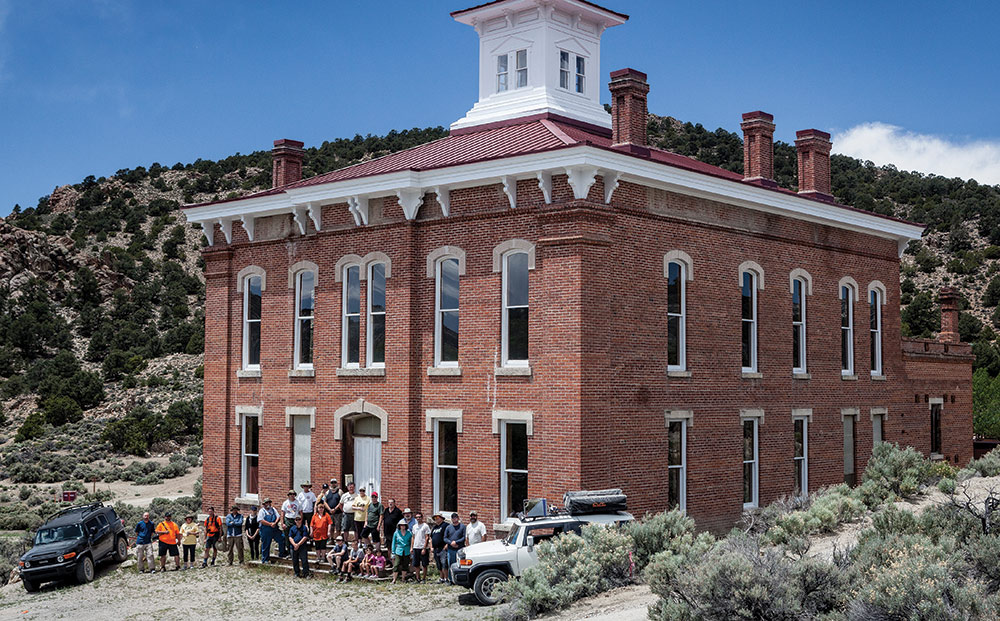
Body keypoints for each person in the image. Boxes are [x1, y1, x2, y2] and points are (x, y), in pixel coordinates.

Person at [443, 512, 466, 584]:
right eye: (453, 518)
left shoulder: (463, 527)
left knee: (460, 564)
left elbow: (464, 537)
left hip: (460, 549)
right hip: (451, 549)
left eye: (455, 517)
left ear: (458, 518)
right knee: (451, 564)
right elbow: (445, 538)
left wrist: (456, 542)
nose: (454, 519)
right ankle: (451, 579)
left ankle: (460, 579)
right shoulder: (448, 527)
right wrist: (451, 543)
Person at [410, 511, 431, 583]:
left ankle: (424, 578)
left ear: (422, 518)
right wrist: (411, 547)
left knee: (424, 564)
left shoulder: (425, 526)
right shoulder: (414, 526)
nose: (418, 518)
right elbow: (413, 537)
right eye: (417, 517)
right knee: (416, 564)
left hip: (422, 547)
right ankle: (418, 578)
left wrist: (424, 548)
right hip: (416, 547)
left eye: (419, 517)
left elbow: (427, 537)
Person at [258, 498, 280, 564]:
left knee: (282, 538)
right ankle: (265, 559)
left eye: (269, 503)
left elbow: (278, 517)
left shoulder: (273, 510)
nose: (268, 504)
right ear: (264, 504)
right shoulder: (262, 511)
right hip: (265, 530)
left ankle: (282, 554)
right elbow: (261, 520)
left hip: (274, 529)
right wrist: (270, 524)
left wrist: (275, 523)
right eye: (266, 503)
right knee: (266, 544)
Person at [280, 490, 300, 558]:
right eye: (290, 494)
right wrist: (282, 523)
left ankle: (296, 553)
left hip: (295, 520)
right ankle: (289, 552)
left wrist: (300, 522)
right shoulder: (285, 503)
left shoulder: (298, 502)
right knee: (287, 537)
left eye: (293, 494)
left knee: (296, 537)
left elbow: (301, 512)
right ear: (288, 495)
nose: (292, 495)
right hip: (287, 520)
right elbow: (282, 513)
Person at [430, 512, 448, 583]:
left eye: (437, 518)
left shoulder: (445, 525)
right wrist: (431, 547)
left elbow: (449, 535)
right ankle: (441, 578)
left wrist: (446, 545)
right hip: (435, 549)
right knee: (438, 564)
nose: (436, 519)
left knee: (444, 564)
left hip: (443, 548)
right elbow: (431, 538)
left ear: (441, 518)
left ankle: (446, 578)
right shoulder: (435, 527)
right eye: (435, 518)